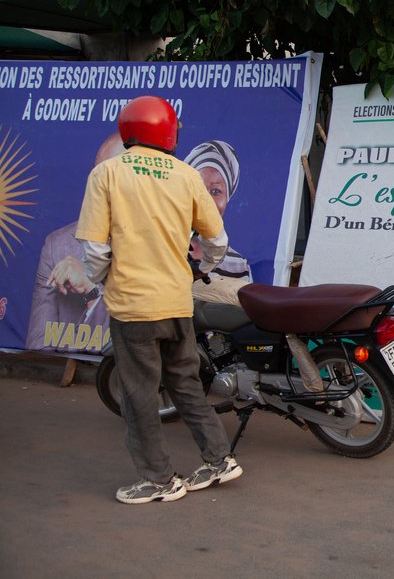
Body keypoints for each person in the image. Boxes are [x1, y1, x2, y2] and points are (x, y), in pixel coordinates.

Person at [75, 96, 242, 504]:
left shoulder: (107, 174)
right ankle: (220, 459)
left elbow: (95, 251)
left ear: (129, 129)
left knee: (139, 397)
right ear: (168, 133)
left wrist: (104, 282)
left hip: (133, 308)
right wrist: (198, 272)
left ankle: (159, 479)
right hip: (178, 304)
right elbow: (216, 241)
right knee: (185, 384)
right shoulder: (186, 175)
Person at [26, 132, 123, 354]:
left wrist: (93, 291)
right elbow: (39, 347)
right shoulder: (57, 246)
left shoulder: (158, 243)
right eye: (105, 175)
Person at [184, 140, 252, 281]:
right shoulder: (165, 249)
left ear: (228, 196)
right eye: (199, 189)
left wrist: (202, 269)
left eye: (215, 191)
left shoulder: (238, 265)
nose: (206, 200)